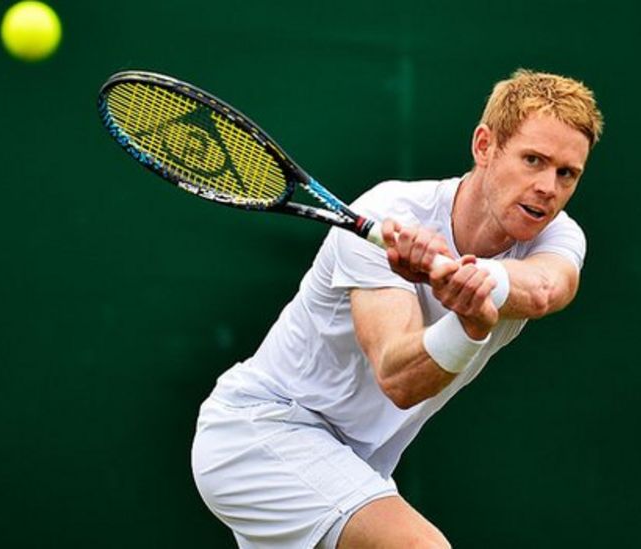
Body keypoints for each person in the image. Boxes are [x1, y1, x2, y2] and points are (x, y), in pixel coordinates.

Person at [191, 69, 603, 549]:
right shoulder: (391, 213)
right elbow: (400, 378)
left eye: (566, 173)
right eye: (533, 160)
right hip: (263, 431)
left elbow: (545, 289)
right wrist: (469, 323)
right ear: (485, 146)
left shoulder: (555, 235)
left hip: (352, 464)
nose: (548, 187)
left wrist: (471, 280)